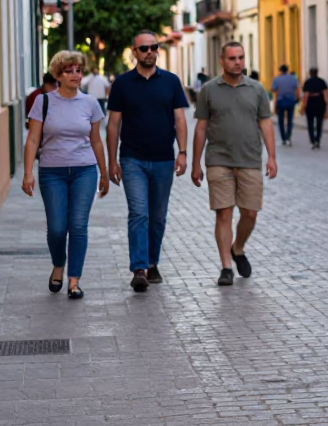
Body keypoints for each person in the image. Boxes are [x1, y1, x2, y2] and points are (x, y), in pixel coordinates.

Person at [21, 51, 109, 299]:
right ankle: (58, 264)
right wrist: (28, 173)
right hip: (52, 172)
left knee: (79, 226)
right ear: (58, 75)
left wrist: (103, 172)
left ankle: (74, 281)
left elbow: (96, 141)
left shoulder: (90, 103)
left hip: (84, 171)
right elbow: (33, 140)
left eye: (78, 70)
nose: (75, 75)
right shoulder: (43, 101)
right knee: (58, 228)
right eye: (69, 71)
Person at [106, 31, 190, 292]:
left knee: (157, 217)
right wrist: (112, 162)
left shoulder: (171, 81)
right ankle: (139, 268)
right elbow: (113, 125)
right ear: (134, 52)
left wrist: (183, 152)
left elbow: (180, 120)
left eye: (154, 47)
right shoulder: (122, 84)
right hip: (132, 160)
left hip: (164, 159)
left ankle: (152, 262)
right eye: (144, 49)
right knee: (139, 213)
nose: (150, 52)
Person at [192, 41, 277, 286]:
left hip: (250, 159)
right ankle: (226, 267)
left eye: (240, 57)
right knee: (224, 213)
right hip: (218, 160)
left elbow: (266, 124)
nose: (238, 62)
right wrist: (196, 163)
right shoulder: (209, 90)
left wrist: (271, 156)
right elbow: (201, 127)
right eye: (232, 58)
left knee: (250, 213)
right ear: (222, 61)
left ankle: (237, 248)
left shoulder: (256, 89)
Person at [300, 67, 328, 150]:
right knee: (319, 123)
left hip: (310, 103)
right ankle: (317, 140)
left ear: (310, 73)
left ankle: (312, 141)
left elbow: (306, 96)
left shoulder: (307, 82)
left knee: (310, 123)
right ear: (317, 73)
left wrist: (303, 107)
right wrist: (327, 109)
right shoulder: (322, 82)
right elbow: (325, 95)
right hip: (320, 103)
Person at [271, 64, 299, 147]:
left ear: (280, 70)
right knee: (290, 120)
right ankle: (288, 137)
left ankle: (283, 138)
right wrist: (297, 98)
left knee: (281, 121)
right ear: (287, 70)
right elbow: (297, 89)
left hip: (281, 101)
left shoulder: (277, 79)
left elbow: (273, 89)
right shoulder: (293, 78)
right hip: (291, 100)